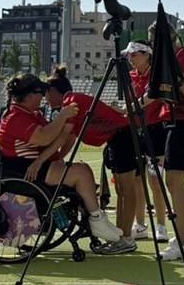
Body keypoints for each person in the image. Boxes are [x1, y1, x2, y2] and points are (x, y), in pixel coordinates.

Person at [0, 73, 120, 242]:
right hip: (25, 172)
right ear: (31, 95)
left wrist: (68, 127)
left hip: (33, 167)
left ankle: (97, 218)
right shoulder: (16, 118)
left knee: (82, 170)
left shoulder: (30, 114)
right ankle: (97, 221)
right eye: (41, 94)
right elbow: (45, 137)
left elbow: (56, 136)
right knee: (82, 173)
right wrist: (62, 116)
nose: (43, 98)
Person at [46, 66, 139, 254]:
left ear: (54, 92)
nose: (45, 100)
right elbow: (70, 137)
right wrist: (56, 158)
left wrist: (49, 160)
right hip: (116, 138)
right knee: (121, 189)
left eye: (46, 95)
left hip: (124, 135)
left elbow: (66, 137)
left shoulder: (71, 103)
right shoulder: (72, 101)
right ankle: (121, 235)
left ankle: (126, 239)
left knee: (126, 189)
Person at [148, 22, 184, 261]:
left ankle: (182, 243)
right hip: (179, 122)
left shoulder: (180, 59)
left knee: (173, 181)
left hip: (183, 122)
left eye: (153, 42)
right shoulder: (176, 58)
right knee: (177, 183)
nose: (152, 46)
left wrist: (178, 79)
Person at [124, 40, 169, 244]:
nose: (130, 59)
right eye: (129, 55)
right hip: (136, 129)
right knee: (136, 181)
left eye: (134, 55)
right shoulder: (130, 76)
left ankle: (161, 225)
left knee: (155, 180)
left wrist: (131, 107)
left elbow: (151, 97)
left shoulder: (156, 73)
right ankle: (140, 224)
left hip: (155, 129)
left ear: (146, 54)